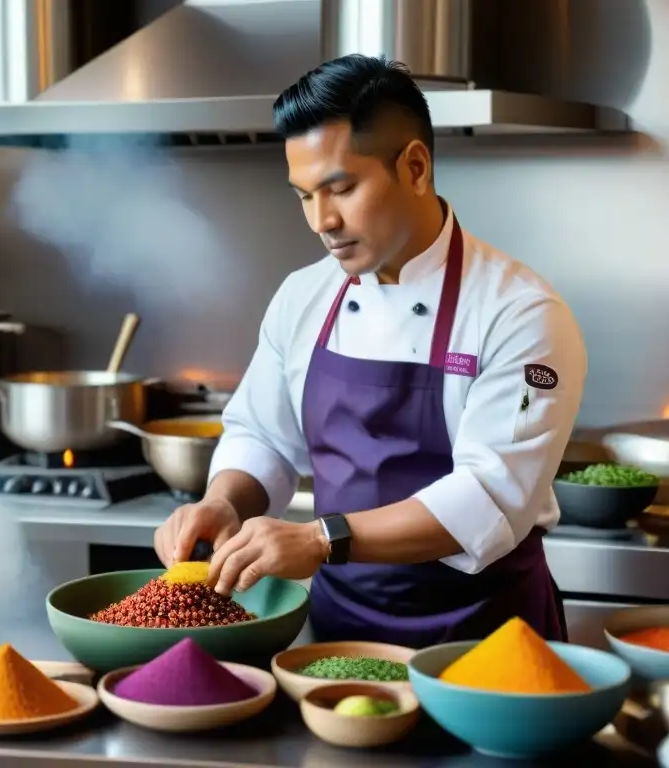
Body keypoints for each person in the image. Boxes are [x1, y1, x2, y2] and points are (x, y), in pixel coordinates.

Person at [153, 55, 587, 647]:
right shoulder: (303, 296)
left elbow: (491, 496)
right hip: (338, 638)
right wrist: (225, 501)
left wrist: (318, 539)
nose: (322, 221)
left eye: (341, 188)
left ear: (414, 167)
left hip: (487, 641)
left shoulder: (521, 314)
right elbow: (262, 434)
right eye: (304, 196)